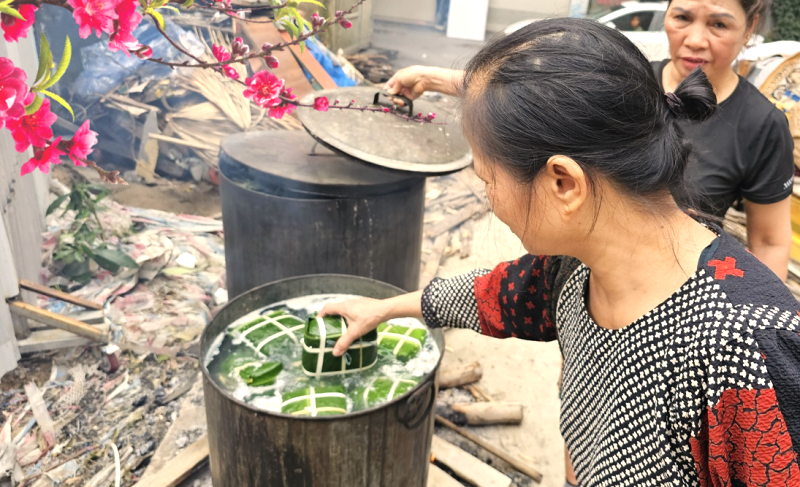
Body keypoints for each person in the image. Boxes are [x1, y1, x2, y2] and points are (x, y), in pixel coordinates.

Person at [321, 17, 800, 487]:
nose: (489, 196)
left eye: (488, 179)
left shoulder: (747, 352)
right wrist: (384, 309)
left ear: (563, 182)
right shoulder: (577, 271)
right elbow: (496, 294)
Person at [383, 0, 794, 284]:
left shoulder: (761, 124)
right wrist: (433, 78)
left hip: (678, 297)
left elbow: (771, 242)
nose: (695, 39)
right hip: (586, 289)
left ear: (750, 27)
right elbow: (531, 96)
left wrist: (760, 312)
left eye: (719, 24)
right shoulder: (623, 79)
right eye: (682, 17)